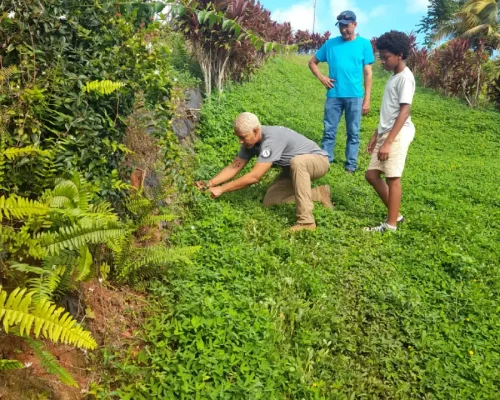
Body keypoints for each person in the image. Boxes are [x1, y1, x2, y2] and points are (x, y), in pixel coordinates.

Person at [195, 112, 333, 232]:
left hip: (317, 162)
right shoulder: (250, 143)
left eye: (243, 137)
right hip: (291, 170)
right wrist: (210, 183)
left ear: (256, 131)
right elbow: (234, 166)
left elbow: (255, 176)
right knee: (271, 201)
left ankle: (306, 222)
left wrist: (222, 189)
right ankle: (318, 194)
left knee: (298, 162)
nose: (240, 141)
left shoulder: (271, 140)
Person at [308, 10, 374, 173]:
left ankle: (350, 165)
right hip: (334, 95)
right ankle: (326, 161)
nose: (344, 30)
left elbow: (368, 73)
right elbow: (312, 62)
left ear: (355, 24)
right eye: (341, 26)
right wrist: (322, 78)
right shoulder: (330, 44)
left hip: (355, 96)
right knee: (329, 130)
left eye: (347, 26)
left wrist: (367, 99)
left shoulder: (364, 44)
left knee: (353, 132)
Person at [364, 31, 416, 232]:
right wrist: (377, 133)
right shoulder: (394, 77)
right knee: (371, 175)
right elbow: (390, 110)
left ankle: (391, 225)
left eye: (386, 58)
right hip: (386, 131)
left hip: (398, 133)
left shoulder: (405, 78)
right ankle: (397, 215)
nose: (382, 62)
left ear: (400, 55)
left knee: (392, 177)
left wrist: (388, 141)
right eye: (381, 58)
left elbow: (404, 111)